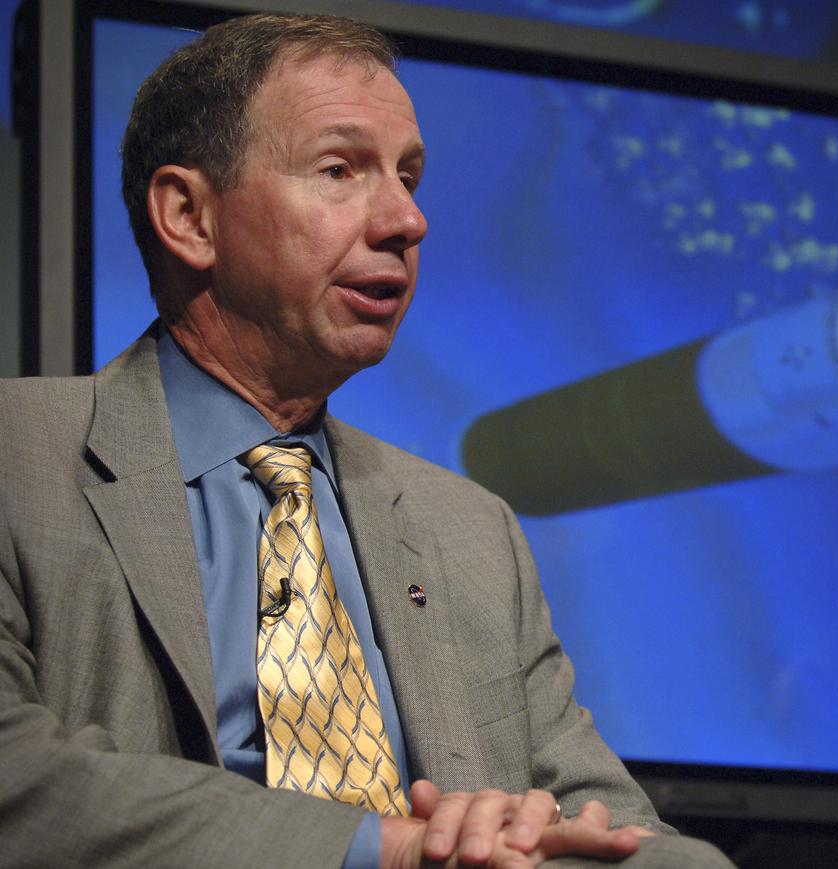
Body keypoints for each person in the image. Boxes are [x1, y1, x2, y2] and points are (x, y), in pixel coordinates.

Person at [0, 13, 732, 869]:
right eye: (340, 169)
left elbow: (623, 836)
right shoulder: (20, 457)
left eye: (410, 176)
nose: (407, 220)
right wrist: (380, 848)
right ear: (189, 216)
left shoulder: (468, 528)